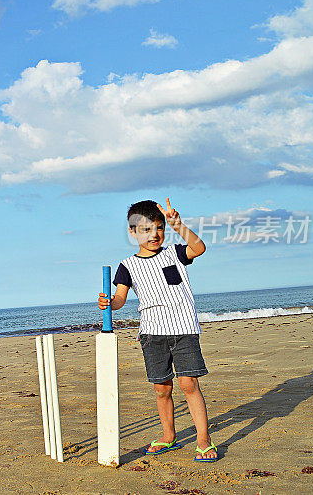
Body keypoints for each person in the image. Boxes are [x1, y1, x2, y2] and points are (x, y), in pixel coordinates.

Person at [97, 198, 217, 462]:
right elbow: (119, 299)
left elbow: (199, 247)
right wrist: (108, 303)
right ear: (132, 232)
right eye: (146, 230)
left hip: (184, 328)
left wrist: (179, 225)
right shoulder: (128, 265)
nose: (154, 235)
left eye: (159, 228)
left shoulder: (174, 252)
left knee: (189, 384)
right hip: (152, 334)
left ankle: (203, 440)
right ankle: (168, 435)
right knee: (162, 389)